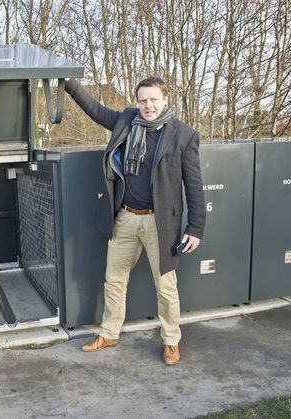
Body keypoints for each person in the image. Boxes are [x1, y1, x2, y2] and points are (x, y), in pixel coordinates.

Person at [65, 75, 206, 365]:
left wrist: (196, 227)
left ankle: (171, 340)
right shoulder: (127, 121)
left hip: (161, 224)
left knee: (166, 286)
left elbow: (194, 185)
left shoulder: (184, 135)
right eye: (143, 100)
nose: (148, 105)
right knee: (113, 280)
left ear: (165, 100)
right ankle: (109, 332)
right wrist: (68, 81)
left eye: (154, 99)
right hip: (126, 217)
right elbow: (94, 108)